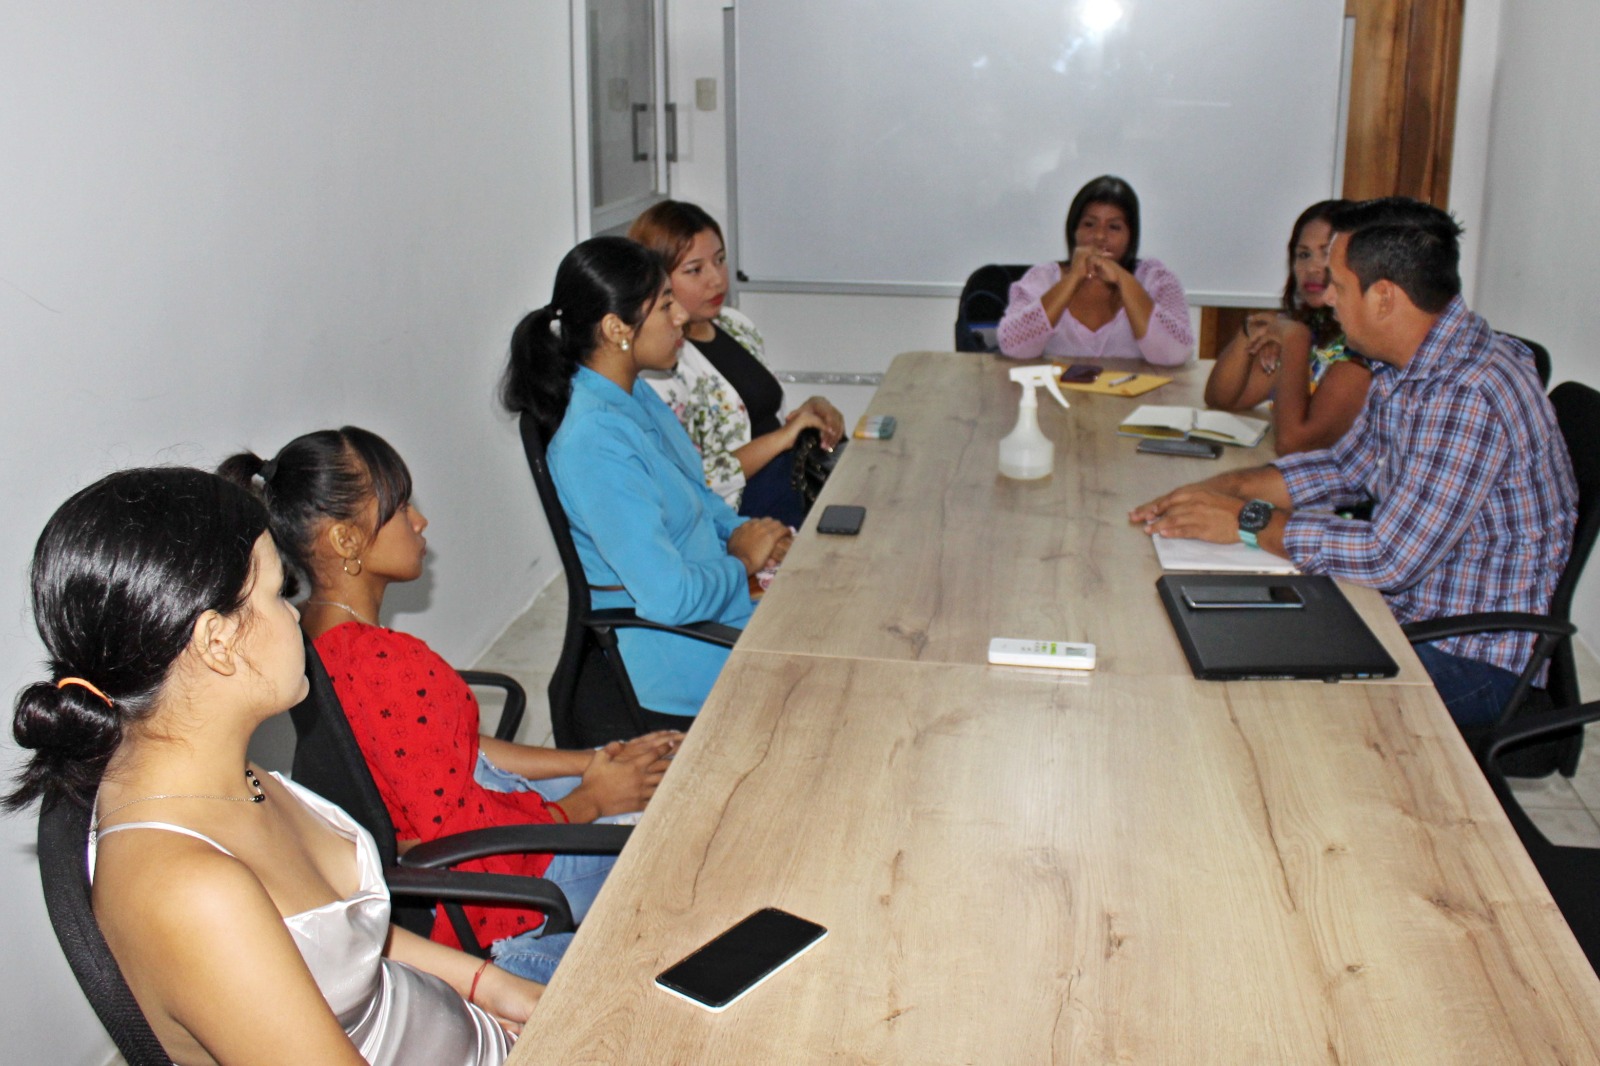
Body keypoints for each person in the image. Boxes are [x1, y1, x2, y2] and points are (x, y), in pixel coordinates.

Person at [6, 468, 540, 1065]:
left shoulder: (215, 774)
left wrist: (490, 985)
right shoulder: (190, 894)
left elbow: (348, 943)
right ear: (217, 641)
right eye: (281, 593)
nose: (296, 616)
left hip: (474, 1022)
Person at [219, 427, 681, 984]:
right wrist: (591, 799)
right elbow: (461, 835)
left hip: (494, 827)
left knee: (650, 768)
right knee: (682, 815)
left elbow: (457, 753)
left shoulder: (317, 639)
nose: (420, 521)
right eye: (400, 507)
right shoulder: (383, 664)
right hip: (507, 887)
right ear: (346, 540)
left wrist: (592, 761)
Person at [1130, 197, 1578, 729]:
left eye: (1339, 286)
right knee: (1213, 633)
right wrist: (1225, 490)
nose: (1328, 300)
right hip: (1401, 614)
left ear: (1383, 296)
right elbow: (1344, 468)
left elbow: (1389, 557)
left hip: (1467, 658)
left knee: (1253, 704)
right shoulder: (1407, 365)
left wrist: (1248, 521)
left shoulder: (1468, 394)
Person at [501, 236, 791, 726]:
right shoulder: (594, 442)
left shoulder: (631, 394)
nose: (682, 316)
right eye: (665, 305)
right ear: (616, 328)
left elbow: (697, 497)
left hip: (718, 609)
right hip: (687, 658)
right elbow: (669, 599)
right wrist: (743, 560)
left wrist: (755, 534)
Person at [627, 200, 844, 528]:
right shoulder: (657, 368)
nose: (716, 280)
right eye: (695, 270)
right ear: (657, 281)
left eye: (720, 260)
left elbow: (764, 417)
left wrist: (809, 412)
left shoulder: (734, 324)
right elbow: (692, 481)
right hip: (738, 511)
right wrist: (783, 438)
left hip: (789, 476)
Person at [1203, 200, 1373, 455]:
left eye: (1326, 253)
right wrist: (1251, 331)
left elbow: (1293, 443)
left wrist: (1295, 339)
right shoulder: (1311, 326)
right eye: (1303, 254)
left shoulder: (1363, 351)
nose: (1312, 268)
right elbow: (1222, 400)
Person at [998, 174, 1193, 365]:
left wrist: (1123, 279)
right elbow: (1013, 346)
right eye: (1089, 224)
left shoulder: (1156, 280)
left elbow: (1175, 354)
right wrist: (1073, 278)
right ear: (1074, 231)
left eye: (1114, 227)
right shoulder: (1043, 278)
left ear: (1131, 236)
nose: (1099, 236)